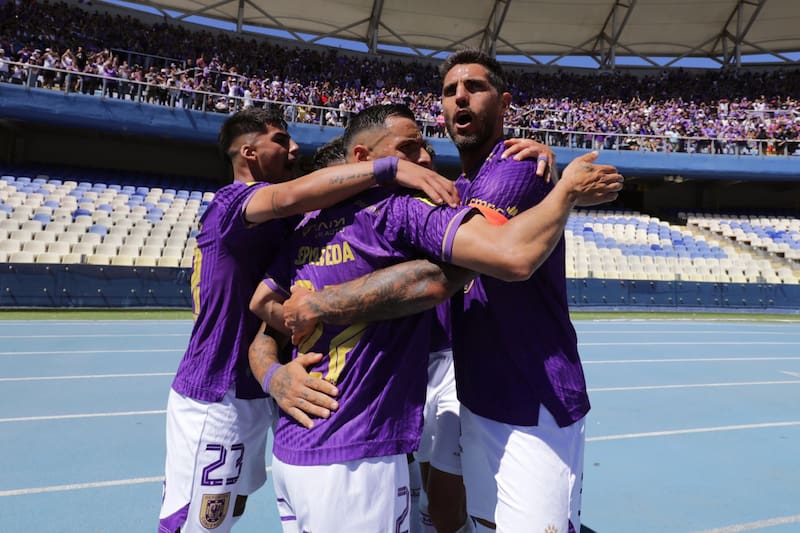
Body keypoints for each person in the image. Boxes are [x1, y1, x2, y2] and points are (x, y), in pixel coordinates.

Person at [248, 103, 622, 533]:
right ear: (366, 163)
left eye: (426, 145)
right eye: (409, 150)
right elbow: (506, 256)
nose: (425, 158)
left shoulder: (306, 230)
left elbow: (262, 307)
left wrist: (275, 373)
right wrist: (564, 192)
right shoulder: (400, 213)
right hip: (359, 448)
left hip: (299, 449)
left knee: (444, 506)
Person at [157, 106, 460, 533]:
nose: (294, 148)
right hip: (218, 386)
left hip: (264, 394)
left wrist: (299, 329)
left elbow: (270, 298)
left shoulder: (296, 229)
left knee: (232, 507)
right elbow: (289, 196)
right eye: (280, 140)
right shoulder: (235, 200)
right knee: (199, 523)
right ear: (248, 152)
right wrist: (389, 169)